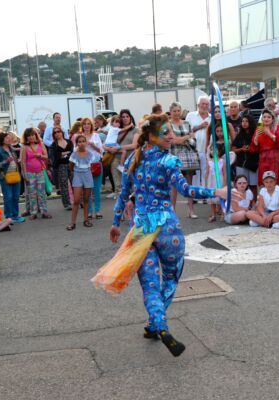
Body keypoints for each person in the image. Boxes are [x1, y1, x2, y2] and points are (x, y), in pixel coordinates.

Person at [102, 114, 239, 357]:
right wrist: (217, 191)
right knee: (171, 278)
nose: (170, 136)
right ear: (152, 137)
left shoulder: (134, 159)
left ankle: (158, 326)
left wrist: (115, 224)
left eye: (171, 131)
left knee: (150, 285)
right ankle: (157, 325)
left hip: (141, 229)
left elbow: (124, 194)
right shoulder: (169, 161)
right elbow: (186, 190)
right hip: (167, 229)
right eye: (165, 132)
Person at [169, 102, 199, 218]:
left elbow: (193, 139)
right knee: (174, 186)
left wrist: (185, 139)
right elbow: (174, 140)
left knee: (188, 184)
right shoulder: (169, 125)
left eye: (178, 110)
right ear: (170, 112)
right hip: (174, 157)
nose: (177, 113)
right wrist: (187, 137)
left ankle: (191, 210)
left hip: (188, 157)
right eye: (174, 111)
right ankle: (172, 211)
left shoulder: (186, 123)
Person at [0, 132, 25, 223]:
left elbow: (14, 161)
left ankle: (15, 216)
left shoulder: (12, 149)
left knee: (16, 197)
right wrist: (6, 161)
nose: (9, 139)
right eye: (7, 138)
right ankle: (8, 217)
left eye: (10, 138)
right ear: (2, 140)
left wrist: (18, 161)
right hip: (5, 177)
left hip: (15, 175)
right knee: (8, 197)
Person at [251, 109, 279, 188]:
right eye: (264, 117)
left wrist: (269, 134)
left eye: (268, 117)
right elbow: (254, 147)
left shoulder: (277, 127)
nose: (266, 119)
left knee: (278, 183)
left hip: (276, 157)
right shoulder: (259, 127)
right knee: (266, 184)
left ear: (272, 119)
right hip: (264, 158)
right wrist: (256, 138)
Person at [20, 128, 51, 220]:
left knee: (42, 193)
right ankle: (33, 212)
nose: (31, 137)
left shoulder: (41, 145)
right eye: (29, 135)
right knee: (32, 193)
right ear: (26, 137)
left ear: (36, 135)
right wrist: (25, 174)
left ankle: (44, 211)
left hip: (40, 172)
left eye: (33, 135)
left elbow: (46, 157)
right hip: (29, 173)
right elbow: (23, 162)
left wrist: (40, 156)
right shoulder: (24, 147)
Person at [66, 135, 94, 230]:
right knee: (77, 200)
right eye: (79, 142)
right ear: (77, 143)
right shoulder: (74, 154)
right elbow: (71, 166)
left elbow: (92, 166)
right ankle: (72, 223)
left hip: (88, 176)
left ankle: (86, 220)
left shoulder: (90, 154)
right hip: (77, 176)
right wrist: (77, 172)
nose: (81, 143)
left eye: (83, 141)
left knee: (86, 199)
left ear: (86, 143)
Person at [110, 109, 139, 195]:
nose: (125, 118)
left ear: (130, 117)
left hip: (131, 160)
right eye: (123, 117)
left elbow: (134, 145)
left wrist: (118, 148)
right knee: (119, 186)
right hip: (116, 160)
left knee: (132, 185)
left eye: (127, 116)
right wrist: (110, 148)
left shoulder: (136, 130)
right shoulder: (116, 130)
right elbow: (108, 143)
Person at [80, 117, 103, 219]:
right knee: (87, 190)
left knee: (97, 189)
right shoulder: (79, 137)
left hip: (96, 164)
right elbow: (75, 151)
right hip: (85, 166)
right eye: (84, 124)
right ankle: (89, 211)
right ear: (82, 126)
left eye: (88, 124)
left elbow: (101, 151)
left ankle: (97, 211)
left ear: (91, 125)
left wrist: (93, 145)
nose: (86, 125)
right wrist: (82, 146)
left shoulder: (96, 136)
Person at [185, 96, 211, 187]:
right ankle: (195, 195)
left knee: (206, 172)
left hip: (207, 150)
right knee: (195, 174)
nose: (204, 106)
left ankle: (204, 194)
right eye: (203, 104)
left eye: (207, 104)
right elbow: (186, 131)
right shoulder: (190, 115)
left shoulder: (212, 118)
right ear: (198, 105)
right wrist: (199, 126)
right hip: (193, 150)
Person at [232, 115, 259, 200]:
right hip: (241, 163)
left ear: (250, 122)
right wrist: (241, 149)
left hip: (253, 164)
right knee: (241, 184)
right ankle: (242, 203)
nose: (244, 123)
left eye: (246, 121)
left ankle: (254, 203)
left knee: (253, 185)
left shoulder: (255, 134)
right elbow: (233, 149)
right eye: (243, 121)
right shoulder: (239, 135)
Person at [52, 127, 73, 210]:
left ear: (62, 132)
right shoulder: (54, 144)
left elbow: (72, 152)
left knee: (75, 183)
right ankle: (67, 204)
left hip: (71, 164)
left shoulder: (69, 141)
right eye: (55, 133)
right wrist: (65, 153)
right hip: (61, 166)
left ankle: (79, 201)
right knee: (64, 185)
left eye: (58, 131)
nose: (57, 133)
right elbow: (56, 156)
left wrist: (62, 154)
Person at [205, 143, 226, 222]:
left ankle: (223, 213)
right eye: (211, 150)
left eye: (215, 149)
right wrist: (206, 184)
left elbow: (224, 174)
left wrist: (224, 184)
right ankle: (213, 214)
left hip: (219, 181)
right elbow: (207, 173)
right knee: (212, 198)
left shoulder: (222, 161)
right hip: (211, 181)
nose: (213, 151)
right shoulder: (209, 162)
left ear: (219, 151)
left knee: (221, 197)